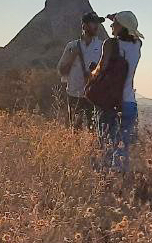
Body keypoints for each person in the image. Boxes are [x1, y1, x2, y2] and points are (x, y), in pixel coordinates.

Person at [94, 11, 142, 171]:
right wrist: (120, 18)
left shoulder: (110, 44)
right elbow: (133, 34)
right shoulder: (137, 45)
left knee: (106, 146)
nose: (111, 25)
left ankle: (106, 185)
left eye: (114, 23)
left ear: (121, 26)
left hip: (110, 102)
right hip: (129, 103)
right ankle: (121, 185)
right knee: (122, 149)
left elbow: (102, 68)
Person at [57, 11, 107, 130]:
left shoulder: (102, 46)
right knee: (74, 130)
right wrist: (72, 57)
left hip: (94, 95)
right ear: (84, 26)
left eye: (97, 23)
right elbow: (61, 71)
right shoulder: (72, 46)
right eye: (93, 23)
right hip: (74, 94)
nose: (96, 26)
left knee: (94, 131)